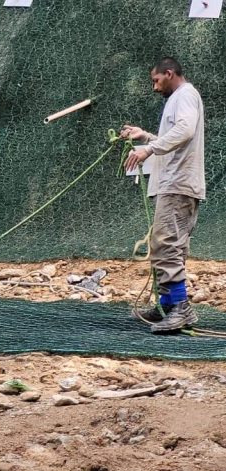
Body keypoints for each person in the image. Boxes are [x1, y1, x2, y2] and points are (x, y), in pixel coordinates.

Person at [122, 57, 205, 333]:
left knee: (166, 244)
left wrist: (148, 150)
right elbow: (173, 137)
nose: (154, 87)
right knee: (165, 245)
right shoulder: (178, 99)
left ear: (169, 74)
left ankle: (180, 308)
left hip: (178, 184)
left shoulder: (185, 95)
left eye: (156, 80)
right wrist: (145, 136)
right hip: (172, 183)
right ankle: (169, 304)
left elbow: (184, 130)